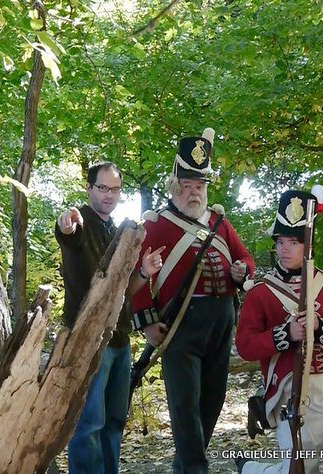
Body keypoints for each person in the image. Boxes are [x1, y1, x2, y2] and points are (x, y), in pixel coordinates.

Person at [131, 128, 255, 474]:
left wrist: (242, 269)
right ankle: (197, 469)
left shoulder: (219, 222)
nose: (193, 193)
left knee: (211, 403)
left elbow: (246, 259)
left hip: (221, 320)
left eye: (199, 186)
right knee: (185, 406)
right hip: (180, 325)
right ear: (175, 187)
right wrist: (146, 322)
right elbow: (139, 277)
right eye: (186, 186)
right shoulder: (157, 224)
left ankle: (182, 468)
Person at [235, 189, 323, 473]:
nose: (284, 249)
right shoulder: (261, 293)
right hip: (292, 391)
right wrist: (285, 334)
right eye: (280, 242)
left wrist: (320, 328)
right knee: (302, 470)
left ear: (308, 246)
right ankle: (252, 469)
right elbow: (246, 346)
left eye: (293, 242)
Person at [56, 161, 163, 473]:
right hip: (89, 340)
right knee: (89, 424)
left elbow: (123, 290)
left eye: (115, 189)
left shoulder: (117, 231)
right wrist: (66, 223)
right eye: (102, 188)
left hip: (119, 339)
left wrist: (144, 271)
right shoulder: (82, 222)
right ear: (89, 189)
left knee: (114, 422)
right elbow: (68, 231)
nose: (109, 195)